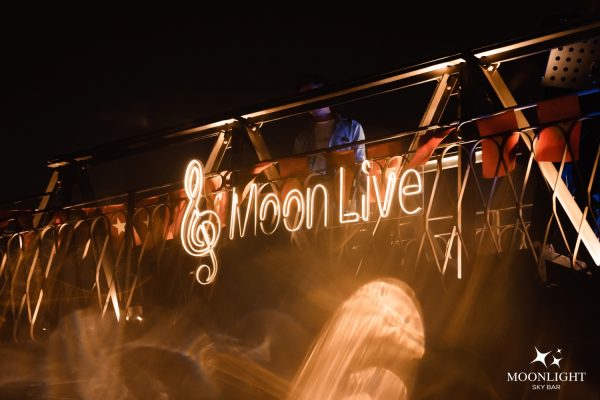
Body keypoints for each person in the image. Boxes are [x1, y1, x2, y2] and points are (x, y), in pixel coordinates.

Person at [292, 74, 365, 171]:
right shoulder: (302, 138)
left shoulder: (352, 127)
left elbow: (361, 165)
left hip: (341, 180)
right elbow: (296, 171)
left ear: (325, 93)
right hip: (313, 181)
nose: (309, 101)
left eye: (312, 94)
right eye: (304, 98)